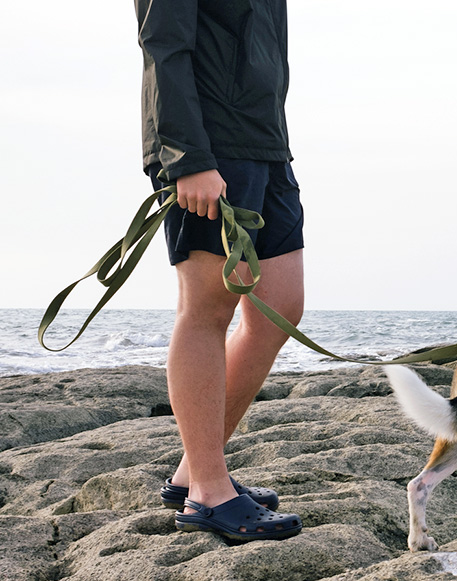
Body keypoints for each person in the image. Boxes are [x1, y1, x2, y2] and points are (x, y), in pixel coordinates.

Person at [136, 0, 303, 541]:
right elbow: (164, 43)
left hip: (265, 143)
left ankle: (192, 473)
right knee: (208, 307)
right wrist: (186, 159)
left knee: (280, 309)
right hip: (207, 150)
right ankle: (209, 492)